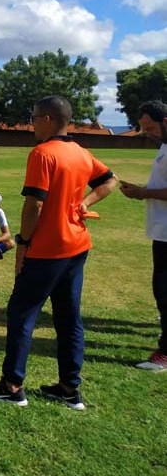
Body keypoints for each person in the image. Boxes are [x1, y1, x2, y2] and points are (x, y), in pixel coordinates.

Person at [0, 96, 117, 411]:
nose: (31, 123)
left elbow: (34, 204)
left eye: (34, 117)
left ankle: (12, 386)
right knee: (69, 317)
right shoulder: (80, 152)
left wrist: (23, 242)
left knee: (22, 313)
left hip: (48, 250)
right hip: (77, 246)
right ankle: (69, 388)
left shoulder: (43, 153)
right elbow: (110, 180)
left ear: (49, 119)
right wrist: (85, 204)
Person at [119, 100, 167, 371]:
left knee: (164, 290)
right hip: (161, 231)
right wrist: (143, 189)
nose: (147, 132)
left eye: (150, 127)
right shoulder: (164, 147)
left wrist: (144, 193)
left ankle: (165, 353)